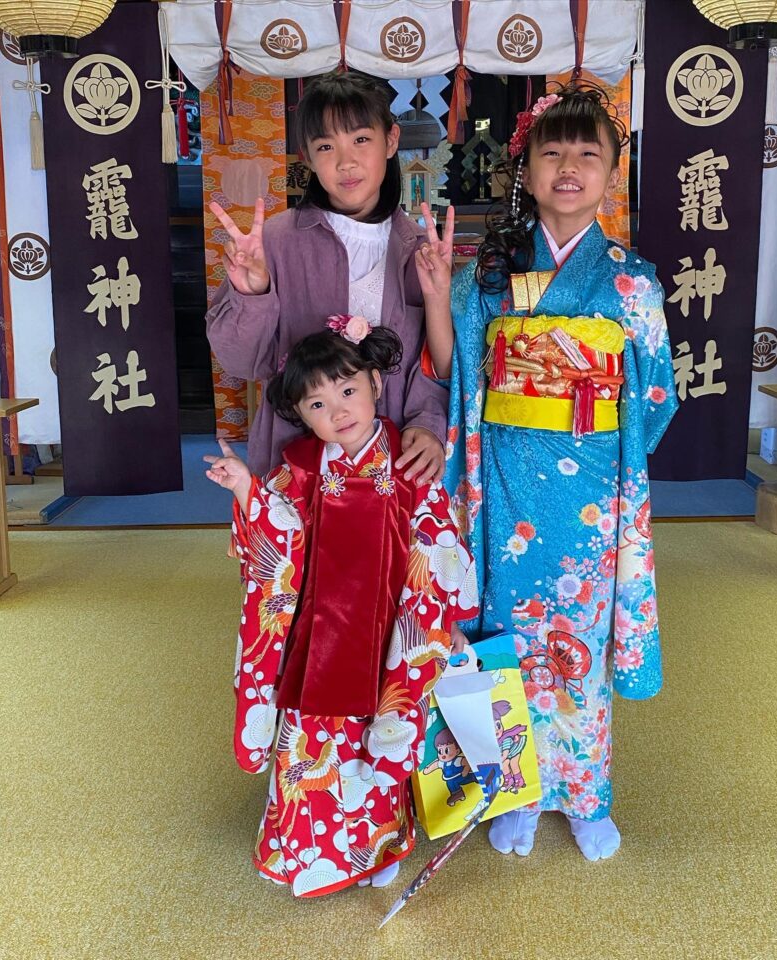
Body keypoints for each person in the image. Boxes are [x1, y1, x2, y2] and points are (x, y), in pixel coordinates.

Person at [420, 84, 678, 862]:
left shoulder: (631, 280)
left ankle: (588, 792)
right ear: (525, 169)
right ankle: (517, 789)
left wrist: (604, 458)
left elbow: (657, 393)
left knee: (581, 642)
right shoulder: (488, 275)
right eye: (551, 152)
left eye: (587, 154)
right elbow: (453, 370)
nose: (569, 167)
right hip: (503, 482)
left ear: (611, 173)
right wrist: (438, 296)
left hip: (591, 489)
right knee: (506, 640)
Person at [204, 321, 478, 898]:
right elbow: (279, 538)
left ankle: (375, 846)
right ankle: (306, 849)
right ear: (304, 416)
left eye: (349, 390)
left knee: (379, 736)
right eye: (319, 403)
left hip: (388, 633)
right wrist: (248, 490)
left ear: (377, 383)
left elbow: (437, 545)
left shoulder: (408, 463)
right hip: (318, 634)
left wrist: (440, 625)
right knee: (312, 748)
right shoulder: (301, 466)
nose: (340, 410)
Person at [206, 70, 451, 483]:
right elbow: (241, 362)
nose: (346, 162)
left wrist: (427, 422)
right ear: (307, 156)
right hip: (297, 463)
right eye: (326, 146)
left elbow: (431, 358)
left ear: (391, 140)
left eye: (360, 139)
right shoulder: (277, 243)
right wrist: (253, 294)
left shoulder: (417, 250)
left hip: (393, 462)